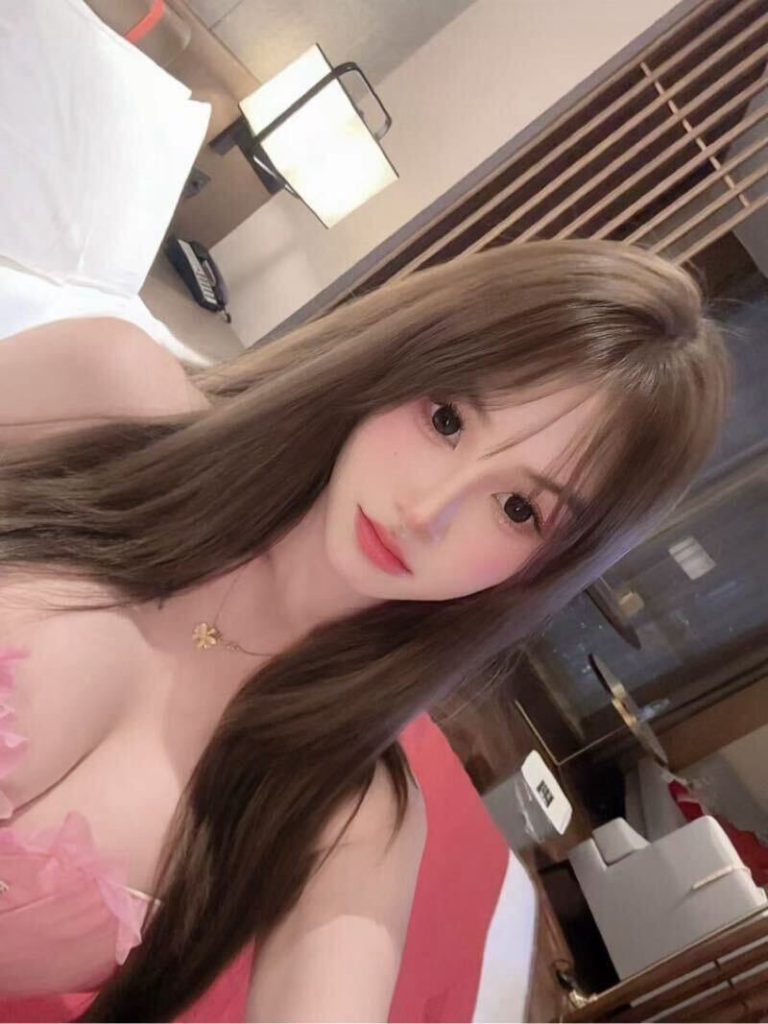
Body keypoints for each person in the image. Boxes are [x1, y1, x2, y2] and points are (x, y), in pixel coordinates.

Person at [0, 239, 729, 1022]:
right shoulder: (106, 389)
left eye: (518, 508)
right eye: (446, 418)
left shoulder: (351, 821)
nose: (427, 509)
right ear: (399, 359)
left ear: (544, 568)